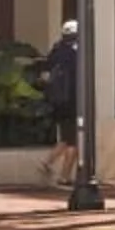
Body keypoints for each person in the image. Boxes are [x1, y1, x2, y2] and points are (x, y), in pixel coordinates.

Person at [38, 20, 82, 189]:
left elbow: (45, 73)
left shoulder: (56, 50)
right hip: (72, 100)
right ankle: (63, 176)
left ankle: (49, 164)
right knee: (73, 142)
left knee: (66, 137)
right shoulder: (76, 52)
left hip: (58, 102)